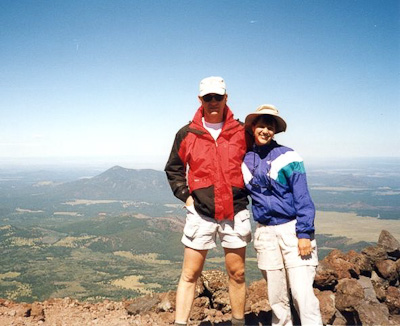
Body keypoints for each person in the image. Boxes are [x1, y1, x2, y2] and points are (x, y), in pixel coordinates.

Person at [165, 76, 251, 326]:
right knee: (190, 274)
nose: (213, 102)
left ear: (226, 97)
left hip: (235, 211)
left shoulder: (242, 131)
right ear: (200, 100)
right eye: (208, 97)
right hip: (201, 213)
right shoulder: (187, 133)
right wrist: (186, 197)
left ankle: (238, 322)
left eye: (217, 97)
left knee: (237, 273)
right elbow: (174, 169)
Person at [241, 104, 323, 326]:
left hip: (292, 229)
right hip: (265, 232)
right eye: (262, 126)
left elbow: (303, 197)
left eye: (270, 126)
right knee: (276, 297)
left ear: (275, 131)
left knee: (302, 293)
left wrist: (304, 233)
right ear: (253, 127)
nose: (265, 130)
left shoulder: (289, 156)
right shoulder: (245, 160)